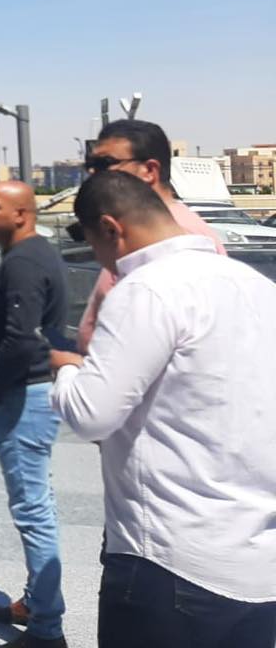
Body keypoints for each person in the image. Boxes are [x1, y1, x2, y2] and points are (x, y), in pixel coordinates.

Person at [50, 171, 276, 648]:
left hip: (170, 561)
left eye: (94, 244)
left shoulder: (146, 290)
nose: (101, 261)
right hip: (258, 561)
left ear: (110, 228)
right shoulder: (254, 285)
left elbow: (90, 415)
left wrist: (67, 369)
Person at [0, 181, 68, 648]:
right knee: (35, 502)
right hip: (26, 392)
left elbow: (22, 337)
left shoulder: (25, 262)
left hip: (21, 396)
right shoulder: (31, 254)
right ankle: (37, 602)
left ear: (22, 214)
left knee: (33, 510)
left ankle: (47, 629)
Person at [75, 119, 225, 352]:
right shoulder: (136, 229)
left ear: (149, 170)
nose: (94, 174)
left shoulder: (179, 234)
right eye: (90, 165)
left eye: (105, 164)